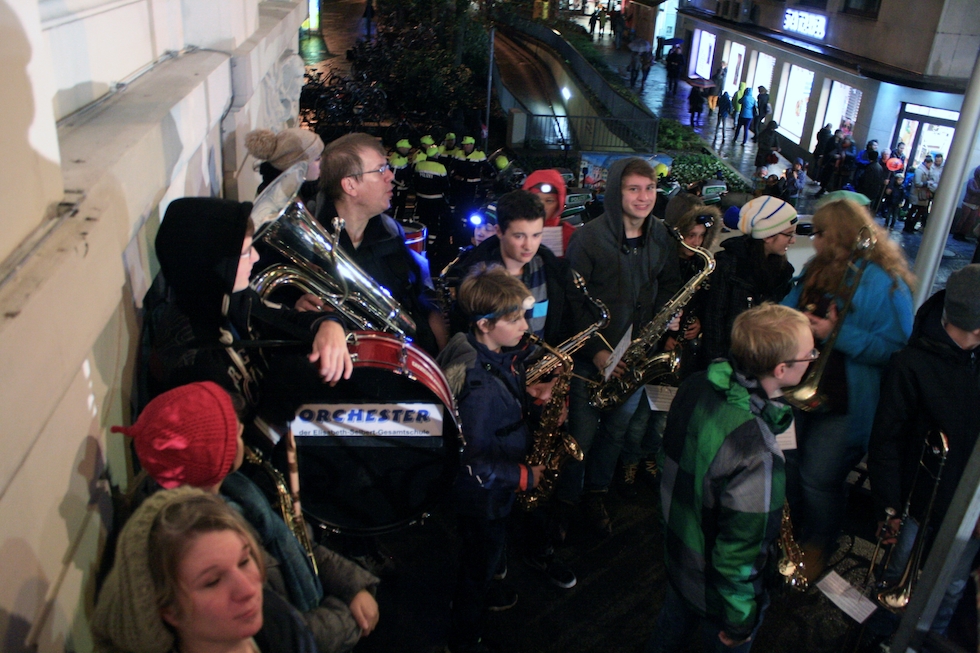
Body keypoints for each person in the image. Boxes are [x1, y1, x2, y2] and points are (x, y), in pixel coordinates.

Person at [111, 381, 380, 653]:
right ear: (215, 458)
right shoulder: (194, 538)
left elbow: (297, 541)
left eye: (244, 560)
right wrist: (348, 617)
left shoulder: (237, 490)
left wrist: (353, 585)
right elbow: (282, 633)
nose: (243, 434)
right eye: (235, 434)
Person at [646, 304, 813, 653]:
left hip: (679, 559)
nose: (813, 357)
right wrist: (740, 623)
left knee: (669, 629)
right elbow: (740, 554)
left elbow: (667, 461)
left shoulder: (694, 385)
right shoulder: (757, 450)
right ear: (781, 369)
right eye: (809, 354)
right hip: (717, 593)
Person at [782, 199, 915, 575]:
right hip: (800, 390)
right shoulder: (816, 268)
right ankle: (788, 535)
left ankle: (818, 545)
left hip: (847, 401)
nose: (814, 239)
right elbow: (787, 308)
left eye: (821, 233)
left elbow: (896, 351)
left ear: (838, 235)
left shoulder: (887, 285)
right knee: (790, 467)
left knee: (818, 478)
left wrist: (835, 334)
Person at [557, 157, 682, 536]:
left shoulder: (661, 235)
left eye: (650, 188)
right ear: (616, 192)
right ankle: (563, 505)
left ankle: (596, 495)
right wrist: (596, 350)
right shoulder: (589, 238)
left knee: (615, 433)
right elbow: (572, 303)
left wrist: (666, 323)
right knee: (581, 436)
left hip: (635, 355)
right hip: (590, 358)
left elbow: (669, 285)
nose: (644, 197)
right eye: (634, 189)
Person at [147, 197, 352, 419]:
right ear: (213, 263)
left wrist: (328, 325)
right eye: (245, 252)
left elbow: (280, 318)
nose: (255, 257)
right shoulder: (196, 364)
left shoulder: (225, 297)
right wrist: (283, 403)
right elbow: (238, 447)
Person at [867, 264, 980, 641]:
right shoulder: (910, 365)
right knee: (897, 578)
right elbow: (887, 440)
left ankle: (925, 644)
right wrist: (891, 508)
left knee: (951, 588)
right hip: (919, 506)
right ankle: (880, 641)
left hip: (968, 511)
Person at [438, 266, 544, 653]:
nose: (524, 326)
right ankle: (465, 636)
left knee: (478, 556)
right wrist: (523, 477)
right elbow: (475, 463)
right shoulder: (478, 387)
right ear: (484, 324)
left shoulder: (473, 345)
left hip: (484, 491)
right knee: (478, 564)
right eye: (514, 319)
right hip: (485, 495)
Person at [92, 487, 318, 653]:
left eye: (244, 561)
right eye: (212, 581)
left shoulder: (277, 619)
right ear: (168, 609)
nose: (248, 589)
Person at [619, 202, 722, 497]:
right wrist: (664, 335)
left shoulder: (700, 265)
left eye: (702, 236)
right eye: (691, 235)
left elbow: (703, 303)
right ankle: (629, 460)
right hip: (654, 349)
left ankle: (650, 457)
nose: (696, 242)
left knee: (662, 417)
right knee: (638, 417)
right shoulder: (660, 262)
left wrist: (698, 324)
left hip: (680, 352)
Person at [314, 132, 447, 355]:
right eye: (380, 170)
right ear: (350, 185)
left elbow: (421, 303)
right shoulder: (314, 243)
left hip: (412, 357)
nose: (390, 177)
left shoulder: (391, 232)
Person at [702, 196, 798, 365]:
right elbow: (714, 319)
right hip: (729, 360)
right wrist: (717, 362)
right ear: (767, 236)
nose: (793, 240)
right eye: (788, 234)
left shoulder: (784, 271)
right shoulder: (728, 264)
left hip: (763, 361)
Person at [245, 127, 324, 205]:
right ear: (295, 165)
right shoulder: (274, 201)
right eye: (317, 158)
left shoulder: (306, 190)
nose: (322, 163)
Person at [413, 143, 453, 259]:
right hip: (435, 200)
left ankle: (422, 241)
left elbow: (415, 181)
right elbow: (445, 186)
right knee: (434, 222)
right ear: (436, 154)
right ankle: (431, 244)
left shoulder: (419, 165)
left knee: (422, 219)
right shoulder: (440, 167)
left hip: (421, 198)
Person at [904, 154, 937, 234]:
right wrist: (927, 183)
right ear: (926, 163)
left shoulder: (928, 171)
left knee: (919, 211)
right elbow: (917, 183)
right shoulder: (919, 171)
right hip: (917, 194)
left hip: (923, 194)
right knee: (913, 210)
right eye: (930, 164)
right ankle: (908, 226)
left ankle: (911, 226)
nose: (931, 165)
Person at [387, 138, 413, 222]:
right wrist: (402, 184)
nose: (408, 150)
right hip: (398, 189)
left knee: (400, 206)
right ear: (401, 148)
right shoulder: (397, 160)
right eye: (407, 149)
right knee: (398, 206)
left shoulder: (401, 157)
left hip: (401, 188)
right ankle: (396, 224)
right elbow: (392, 177)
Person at [952, 165, 980, 241]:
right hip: (968, 203)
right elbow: (972, 190)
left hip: (976, 204)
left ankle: (963, 234)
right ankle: (957, 233)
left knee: (971, 221)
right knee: (963, 219)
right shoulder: (972, 181)